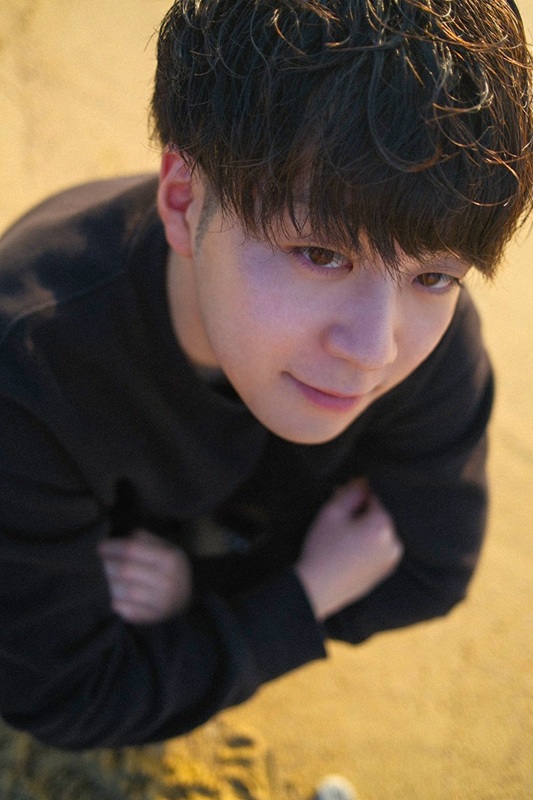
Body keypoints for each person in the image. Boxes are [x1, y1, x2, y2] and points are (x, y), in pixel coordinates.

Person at [0, 0, 531, 753]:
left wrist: (203, 591)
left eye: (436, 276)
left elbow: (429, 570)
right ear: (184, 200)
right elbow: (68, 694)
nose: (373, 349)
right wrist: (306, 593)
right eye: (321, 255)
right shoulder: (30, 365)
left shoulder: (426, 336)